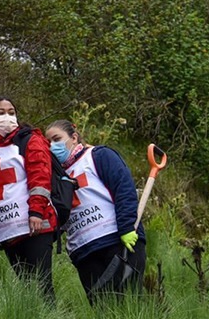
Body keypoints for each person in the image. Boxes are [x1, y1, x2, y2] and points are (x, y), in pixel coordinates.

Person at [45, 119, 144, 301]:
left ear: (74, 138)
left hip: (117, 240)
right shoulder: (54, 178)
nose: (52, 146)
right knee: (103, 312)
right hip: (84, 252)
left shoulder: (99, 156)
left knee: (131, 302)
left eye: (57, 139)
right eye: (48, 142)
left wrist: (127, 227)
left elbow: (124, 189)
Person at [0, 99, 58, 301]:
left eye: (11, 112)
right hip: (7, 231)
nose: (7, 117)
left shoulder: (30, 140)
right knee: (27, 288)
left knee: (42, 286)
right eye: (1, 112)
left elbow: (40, 177)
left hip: (35, 225)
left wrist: (35, 212)